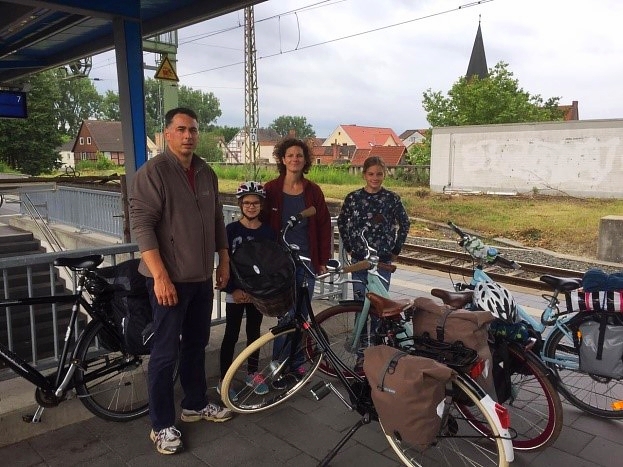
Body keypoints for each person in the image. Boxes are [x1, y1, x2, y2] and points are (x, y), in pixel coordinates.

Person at [129, 107, 232, 455]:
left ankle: (193, 404)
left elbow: (217, 218)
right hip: (168, 280)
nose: (188, 135)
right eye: (181, 129)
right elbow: (142, 226)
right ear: (167, 134)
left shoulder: (206, 171)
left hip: (201, 277)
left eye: (193, 130)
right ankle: (160, 425)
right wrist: (160, 276)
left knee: (196, 344)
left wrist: (224, 259)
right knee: (164, 353)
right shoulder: (154, 172)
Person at [261, 137, 332, 384]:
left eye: (299, 156)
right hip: (281, 264)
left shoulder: (313, 191)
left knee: (302, 316)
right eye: (290, 155)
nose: (295, 159)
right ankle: (278, 366)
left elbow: (324, 226)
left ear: (305, 160)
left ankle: (297, 363)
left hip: (306, 262)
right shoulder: (270, 189)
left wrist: (322, 260)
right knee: (286, 317)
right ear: (282, 159)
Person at [337, 156, 411, 363]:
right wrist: (350, 246)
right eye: (371, 174)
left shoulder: (392, 199)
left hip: (382, 261)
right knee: (361, 306)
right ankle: (361, 353)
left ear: (384, 175)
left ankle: (377, 350)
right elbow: (342, 222)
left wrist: (396, 249)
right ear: (364, 175)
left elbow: (404, 224)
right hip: (360, 261)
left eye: (379, 174)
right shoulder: (353, 198)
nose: (375, 178)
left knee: (380, 307)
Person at [218, 181, 276, 400]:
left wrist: (257, 291)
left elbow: (270, 263)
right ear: (240, 204)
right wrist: (233, 289)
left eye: (255, 203)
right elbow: (226, 261)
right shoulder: (231, 230)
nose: (251, 207)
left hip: (256, 292)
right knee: (230, 335)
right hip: (236, 291)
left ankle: (253, 373)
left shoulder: (268, 232)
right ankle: (225, 379)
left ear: (261, 205)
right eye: (247, 203)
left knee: (254, 334)